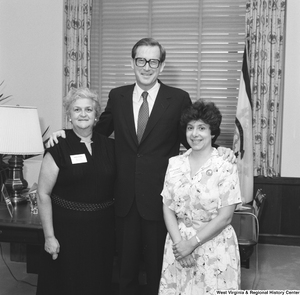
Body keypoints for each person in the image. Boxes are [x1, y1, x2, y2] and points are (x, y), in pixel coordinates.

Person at [48, 38, 235, 295]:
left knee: (160, 272)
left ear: (161, 65)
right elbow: (96, 132)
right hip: (123, 201)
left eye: (153, 61)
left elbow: (193, 138)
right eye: (141, 61)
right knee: (125, 272)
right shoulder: (118, 95)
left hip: (161, 203)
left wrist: (219, 150)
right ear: (133, 62)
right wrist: (64, 134)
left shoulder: (178, 98)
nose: (147, 67)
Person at [36, 87, 116, 295]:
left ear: (96, 115)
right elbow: (43, 193)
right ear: (69, 115)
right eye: (76, 109)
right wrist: (49, 237)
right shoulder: (58, 146)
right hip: (66, 233)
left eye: (88, 110)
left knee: (96, 283)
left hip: (101, 233)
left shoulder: (111, 146)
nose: (83, 114)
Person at [158, 99, 241, 294]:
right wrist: (180, 245)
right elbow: (167, 207)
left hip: (214, 247)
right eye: (190, 128)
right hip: (178, 246)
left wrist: (191, 244)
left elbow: (225, 217)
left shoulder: (225, 165)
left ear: (212, 132)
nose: (195, 134)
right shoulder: (175, 164)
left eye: (202, 128)